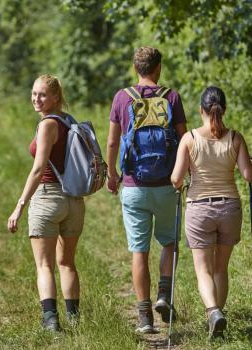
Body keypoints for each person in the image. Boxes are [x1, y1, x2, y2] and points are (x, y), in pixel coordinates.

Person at [106, 46, 187, 333]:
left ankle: (144, 318)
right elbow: (184, 140)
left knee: (139, 251)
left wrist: (111, 173)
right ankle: (164, 294)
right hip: (166, 184)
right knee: (168, 242)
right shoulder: (172, 97)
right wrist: (184, 176)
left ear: (135, 68)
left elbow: (114, 141)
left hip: (134, 185)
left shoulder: (122, 97)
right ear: (158, 68)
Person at [171, 86, 252, 338]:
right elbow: (248, 175)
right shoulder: (236, 138)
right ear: (223, 109)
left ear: (201, 110)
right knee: (221, 268)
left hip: (199, 208)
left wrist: (182, 181)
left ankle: (213, 312)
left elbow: (176, 178)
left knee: (203, 270)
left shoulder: (190, 139)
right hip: (230, 207)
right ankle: (217, 316)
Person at [7, 74, 85, 331]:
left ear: (55, 97)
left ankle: (51, 321)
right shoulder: (68, 122)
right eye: (33, 93)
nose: (36, 99)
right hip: (73, 201)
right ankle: (75, 319)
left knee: (44, 265)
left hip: (48, 197)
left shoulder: (47, 125)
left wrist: (20, 204)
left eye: (41, 94)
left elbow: (38, 168)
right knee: (67, 262)